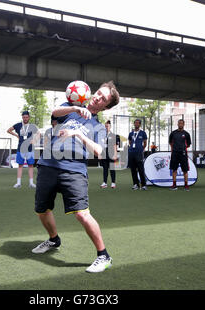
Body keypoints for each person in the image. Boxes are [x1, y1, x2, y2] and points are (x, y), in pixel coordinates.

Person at [32, 81, 120, 273]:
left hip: (74, 171)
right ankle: (54, 240)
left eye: (102, 98)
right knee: (41, 209)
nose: (97, 97)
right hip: (48, 165)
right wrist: (74, 108)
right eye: (98, 93)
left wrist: (78, 135)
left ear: (105, 106)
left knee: (82, 214)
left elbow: (98, 151)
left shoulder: (97, 126)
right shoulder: (69, 109)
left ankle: (104, 256)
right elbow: (55, 113)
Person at [7, 111, 40, 189]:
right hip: (20, 148)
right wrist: (16, 135)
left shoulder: (32, 126)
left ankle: (31, 183)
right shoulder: (18, 125)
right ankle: (18, 183)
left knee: (31, 165)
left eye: (26, 117)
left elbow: (39, 134)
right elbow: (8, 130)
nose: (25, 118)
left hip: (30, 149)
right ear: (22, 117)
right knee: (20, 165)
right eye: (24, 117)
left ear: (29, 117)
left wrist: (34, 140)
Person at [169, 119, 192, 191]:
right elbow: (170, 142)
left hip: (183, 154)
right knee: (174, 169)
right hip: (175, 153)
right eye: (179, 123)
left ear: (184, 124)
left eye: (181, 123)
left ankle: (186, 185)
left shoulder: (186, 134)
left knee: (185, 170)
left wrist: (182, 148)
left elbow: (188, 144)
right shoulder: (173, 133)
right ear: (177, 124)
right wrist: (175, 148)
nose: (180, 124)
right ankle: (174, 185)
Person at [128, 119, 148, 190]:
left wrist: (141, 149)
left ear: (140, 125)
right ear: (134, 124)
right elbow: (130, 142)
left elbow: (145, 143)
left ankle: (143, 185)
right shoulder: (131, 133)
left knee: (141, 169)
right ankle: (135, 184)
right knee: (133, 170)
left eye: (138, 123)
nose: (136, 124)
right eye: (135, 123)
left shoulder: (143, 133)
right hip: (131, 153)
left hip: (139, 153)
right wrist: (132, 148)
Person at [100, 120, 120, 189]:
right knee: (105, 169)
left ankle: (113, 183)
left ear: (110, 127)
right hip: (104, 154)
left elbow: (115, 146)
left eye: (107, 126)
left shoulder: (113, 135)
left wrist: (115, 154)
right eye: (105, 126)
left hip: (111, 154)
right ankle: (104, 182)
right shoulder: (102, 135)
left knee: (112, 169)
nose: (106, 127)